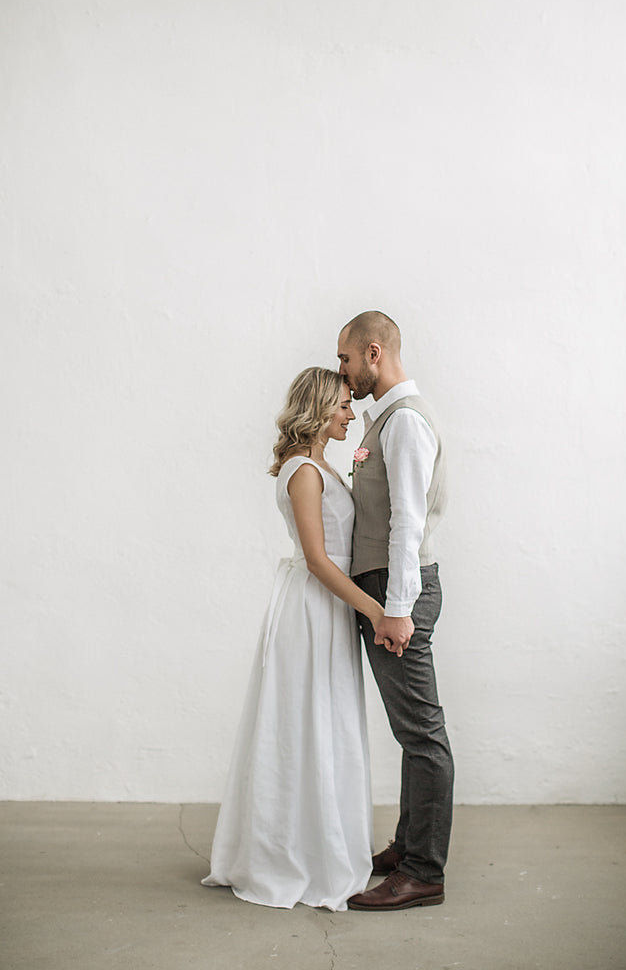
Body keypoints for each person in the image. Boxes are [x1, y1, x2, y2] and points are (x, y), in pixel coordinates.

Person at [201, 367, 383, 911]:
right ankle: (296, 854)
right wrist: (373, 609)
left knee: (324, 721)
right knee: (307, 721)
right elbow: (317, 559)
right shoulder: (304, 471)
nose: (352, 414)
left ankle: (317, 842)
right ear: (322, 409)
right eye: (345, 406)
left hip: (327, 604)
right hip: (313, 607)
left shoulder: (319, 464)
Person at [337, 311, 454, 912]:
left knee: (422, 733)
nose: (343, 371)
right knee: (412, 733)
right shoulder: (383, 420)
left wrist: (398, 608)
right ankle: (410, 847)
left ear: (374, 352)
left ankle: (423, 871)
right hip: (386, 587)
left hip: (396, 591)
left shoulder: (404, 423)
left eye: (347, 359)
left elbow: (408, 521)